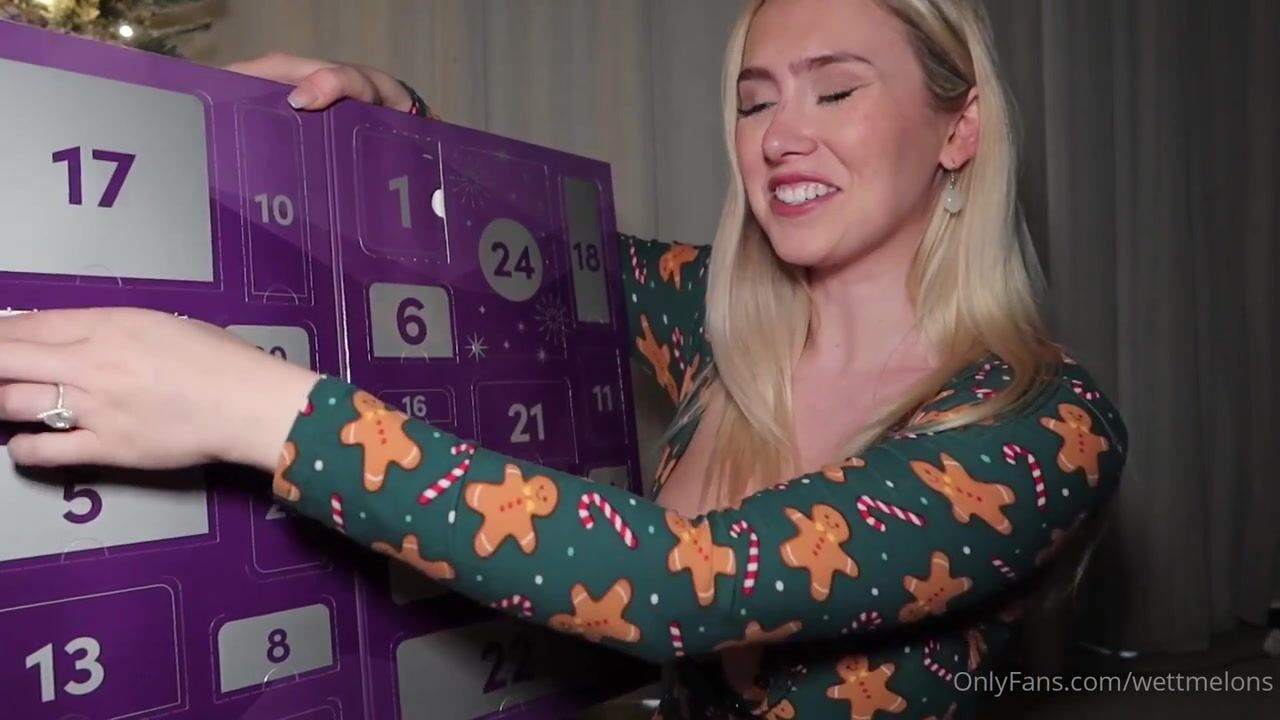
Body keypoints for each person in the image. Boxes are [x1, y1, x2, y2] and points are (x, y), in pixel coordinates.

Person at [0, 0, 1128, 717]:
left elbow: (680, 586)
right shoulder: (713, 313)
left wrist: (260, 412)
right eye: (755, 102)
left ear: (958, 128)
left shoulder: (1045, 428)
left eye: (835, 90)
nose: (783, 137)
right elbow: (523, 256)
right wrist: (388, 122)